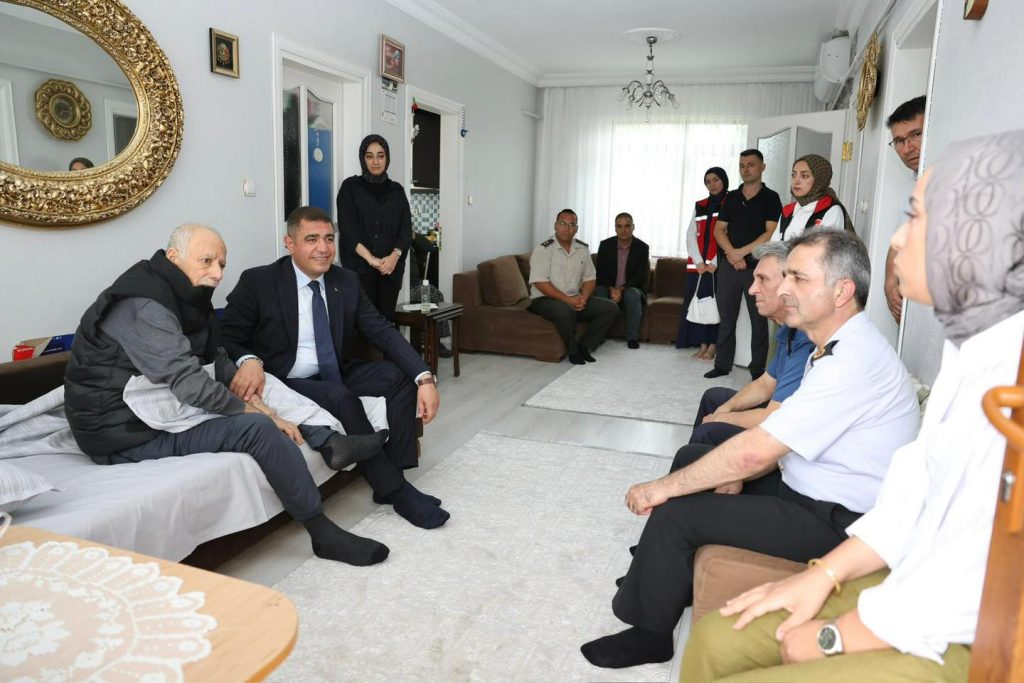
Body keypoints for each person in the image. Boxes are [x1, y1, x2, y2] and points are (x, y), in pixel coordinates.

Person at [681, 129, 1024, 683]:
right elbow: (915, 493)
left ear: (982, 237)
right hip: (906, 568)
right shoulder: (970, 350)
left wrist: (837, 636)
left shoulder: (1009, 377)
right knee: (716, 639)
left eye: (916, 217)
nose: (896, 239)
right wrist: (822, 576)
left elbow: (982, 568)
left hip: (970, 632)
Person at [580, 230, 920, 670]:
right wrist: (737, 469)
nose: (784, 289)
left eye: (798, 278)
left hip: (836, 521)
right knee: (693, 463)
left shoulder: (852, 361)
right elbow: (784, 432)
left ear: (842, 292)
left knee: (676, 509)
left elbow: (758, 448)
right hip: (807, 490)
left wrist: (661, 488)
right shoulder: (836, 347)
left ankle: (651, 635)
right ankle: (665, 578)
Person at [64, 224, 390, 567]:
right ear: (173, 256)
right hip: (121, 431)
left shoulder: (185, 293)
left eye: (221, 264)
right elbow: (190, 383)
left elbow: (213, 357)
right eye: (207, 261)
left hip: (152, 401)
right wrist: (258, 414)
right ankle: (322, 533)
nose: (218, 273)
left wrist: (253, 393)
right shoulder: (144, 305)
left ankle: (327, 440)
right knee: (257, 429)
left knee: (260, 381)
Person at [221, 206, 449, 531]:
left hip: (335, 370)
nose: (324, 248)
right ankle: (397, 493)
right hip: (289, 379)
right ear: (289, 243)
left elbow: (381, 330)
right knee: (341, 397)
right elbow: (227, 335)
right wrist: (249, 359)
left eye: (329, 239)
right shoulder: (259, 281)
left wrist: (424, 377)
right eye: (311, 239)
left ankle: (394, 475)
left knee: (399, 378)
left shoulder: (346, 280)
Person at [689, 241, 814, 448]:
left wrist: (720, 419)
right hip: (781, 414)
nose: (752, 289)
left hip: (790, 435)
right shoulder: (788, 328)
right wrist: (724, 410)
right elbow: (765, 384)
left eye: (762, 279)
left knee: (707, 431)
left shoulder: (807, 337)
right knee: (714, 398)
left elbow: (776, 415)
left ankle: (699, 462)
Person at [706, 150, 783, 380]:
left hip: (758, 269)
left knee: (759, 320)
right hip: (729, 267)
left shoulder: (771, 197)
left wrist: (741, 253)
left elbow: (770, 233)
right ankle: (722, 364)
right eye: (742, 165)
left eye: (751, 164)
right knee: (726, 319)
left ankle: (758, 369)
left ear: (762, 167)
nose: (745, 169)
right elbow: (719, 230)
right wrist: (732, 255)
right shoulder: (731, 197)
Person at [528, 209, 619, 364]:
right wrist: (568, 300)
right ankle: (573, 351)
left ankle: (585, 346)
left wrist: (583, 298)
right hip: (545, 300)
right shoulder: (543, 250)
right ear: (555, 226)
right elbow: (540, 283)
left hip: (575, 298)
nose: (567, 228)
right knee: (564, 309)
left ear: (576, 228)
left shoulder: (582, 249)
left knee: (610, 308)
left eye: (571, 225)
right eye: (562, 223)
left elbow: (590, 278)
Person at [336, 134, 412, 320]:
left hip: (390, 270)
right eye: (369, 156)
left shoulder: (397, 191)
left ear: (387, 158)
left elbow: (405, 230)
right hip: (359, 268)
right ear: (363, 158)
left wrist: (394, 257)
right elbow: (347, 229)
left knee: (385, 322)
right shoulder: (350, 187)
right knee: (362, 323)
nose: (375, 161)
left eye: (380, 155)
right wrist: (371, 259)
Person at [883, 95, 926, 324]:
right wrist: (889, 281)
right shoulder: (913, 186)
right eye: (899, 141)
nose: (908, 148)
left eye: (916, 134)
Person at [677, 167, 728, 359]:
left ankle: (713, 346)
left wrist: (714, 261)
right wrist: (699, 262)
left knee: (714, 306)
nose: (712, 184)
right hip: (698, 268)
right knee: (699, 305)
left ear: (724, 181)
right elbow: (690, 234)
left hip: (717, 267)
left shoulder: (730, 203)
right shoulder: (700, 205)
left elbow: (729, 234)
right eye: (708, 181)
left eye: (716, 180)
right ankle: (702, 344)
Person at [594, 212, 650, 349]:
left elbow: (640, 276)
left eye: (627, 226)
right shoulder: (605, 245)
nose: (623, 230)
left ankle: (632, 337)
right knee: (599, 291)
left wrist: (621, 290)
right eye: (619, 226)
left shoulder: (642, 248)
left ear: (633, 227)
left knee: (632, 294)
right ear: (615, 228)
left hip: (631, 287)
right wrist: (611, 288)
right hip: (609, 287)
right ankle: (598, 335)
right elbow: (601, 272)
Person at [772, 154, 854, 241]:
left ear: (819, 179)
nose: (796, 181)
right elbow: (774, 245)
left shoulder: (831, 210)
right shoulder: (788, 210)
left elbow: (827, 247)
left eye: (804, 176)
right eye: (793, 175)